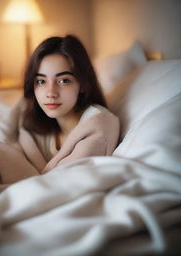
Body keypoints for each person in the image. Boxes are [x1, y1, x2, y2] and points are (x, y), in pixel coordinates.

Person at [21, 34, 120, 173]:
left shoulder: (99, 126)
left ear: (83, 85)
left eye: (64, 80)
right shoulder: (37, 125)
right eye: (41, 81)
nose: (51, 93)